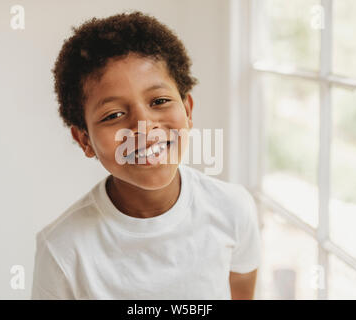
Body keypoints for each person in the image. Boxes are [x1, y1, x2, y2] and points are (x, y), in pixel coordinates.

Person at [31, 10, 261, 300]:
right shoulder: (61, 250)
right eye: (113, 115)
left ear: (187, 110)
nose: (143, 128)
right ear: (84, 140)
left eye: (160, 101)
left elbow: (240, 292)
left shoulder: (234, 209)